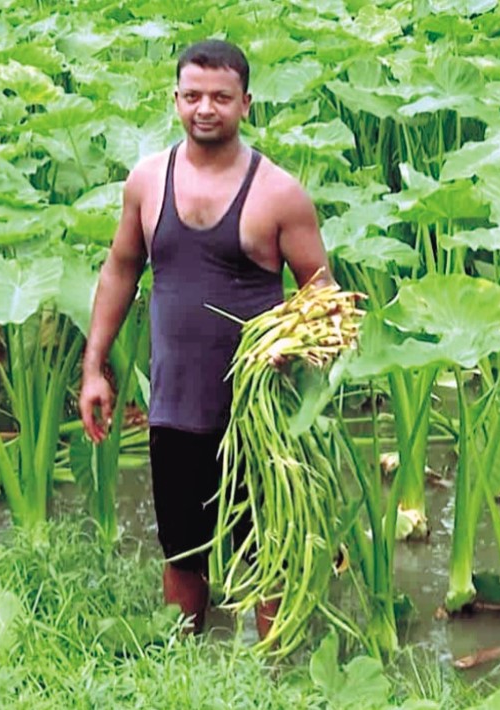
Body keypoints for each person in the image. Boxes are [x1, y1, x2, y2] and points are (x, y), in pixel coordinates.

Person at [77, 39, 332, 636]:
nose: (205, 109)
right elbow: (120, 268)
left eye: (221, 97)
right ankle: (186, 665)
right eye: (192, 96)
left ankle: (271, 676)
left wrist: (290, 349)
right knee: (182, 549)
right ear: (175, 100)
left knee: (267, 552)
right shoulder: (146, 182)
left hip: (255, 411)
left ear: (246, 102)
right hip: (175, 406)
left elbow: (322, 297)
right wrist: (95, 366)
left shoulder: (278, 194)